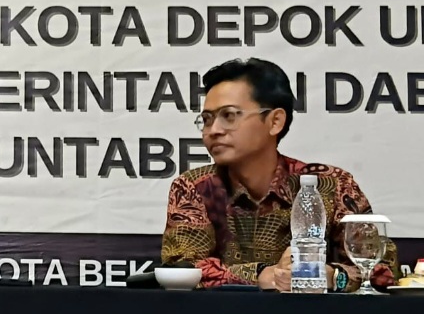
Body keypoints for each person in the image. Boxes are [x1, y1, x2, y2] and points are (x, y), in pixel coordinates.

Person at [161, 58, 396, 292]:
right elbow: (181, 268)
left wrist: (333, 277)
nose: (213, 131)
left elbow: (382, 269)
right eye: (206, 120)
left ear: (275, 121)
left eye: (229, 116)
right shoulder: (195, 187)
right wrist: (262, 274)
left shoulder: (332, 185)